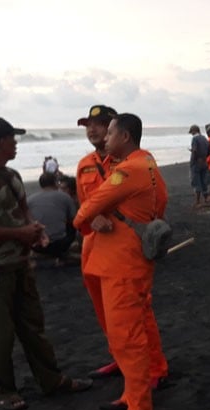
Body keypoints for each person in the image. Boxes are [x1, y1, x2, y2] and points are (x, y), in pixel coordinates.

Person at [0, 117, 92, 410]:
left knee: (34, 327)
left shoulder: (12, 176)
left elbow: (23, 215)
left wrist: (36, 232)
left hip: (20, 264)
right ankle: (3, 390)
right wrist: (20, 234)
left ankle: (52, 380)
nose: (17, 142)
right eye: (12, 138)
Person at [73, 113, 168, 410]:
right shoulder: (149, 164)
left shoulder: (128, 169)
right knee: (130, 333)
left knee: (127, 339)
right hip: (128, 261)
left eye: (110, 133)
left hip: (121, 265)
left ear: (124, 136)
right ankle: (132, 396)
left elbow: (90, 205)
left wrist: (83, 222)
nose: (106, 138)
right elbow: (162, 200)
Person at [75, 104, 124, 379]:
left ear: (114, 128)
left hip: (121, 241)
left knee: (131, 306)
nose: (92, 129)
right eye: (88, 125)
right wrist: (90, 219)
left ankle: (154, 366)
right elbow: (84, 207)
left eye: (100, 124)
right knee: (102, 305)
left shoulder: (128, 161)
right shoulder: (84, 165)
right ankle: (119, 356)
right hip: (92, 244)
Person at [27, 172, 77, 262]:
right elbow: (74, 219)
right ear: (55, 183)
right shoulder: (65, 197)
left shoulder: (30, 199)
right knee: (73, 222)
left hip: (37, 245)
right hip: (60, 244)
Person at [188, 124, 210, 206]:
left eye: (191, 132)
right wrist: (204, 158)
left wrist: (193, 161)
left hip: (196, 162)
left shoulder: (195, 139)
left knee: (196, 181)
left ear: (194, 131)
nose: (191, 134)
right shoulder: (204, 138)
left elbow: (195, 151)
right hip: (204, 161)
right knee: (204, 180)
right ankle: (206, 198)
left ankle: (197, 201)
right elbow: (209, 150)